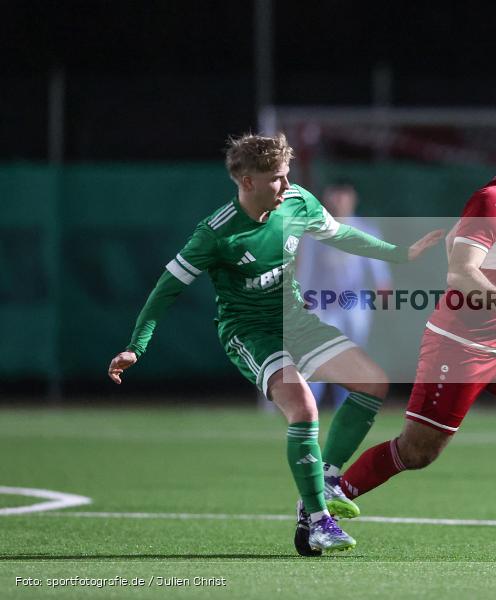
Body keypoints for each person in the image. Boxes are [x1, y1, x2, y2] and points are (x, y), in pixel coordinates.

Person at [106, 133, 443, 554]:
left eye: (287, 176)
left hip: (296, 320)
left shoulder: (297, 201)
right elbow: (165, 289)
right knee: (304, 407)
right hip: (248, 331)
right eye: (276, 180)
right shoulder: (216, 233)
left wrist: (400, 254)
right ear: (246, 181)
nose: (286, 187)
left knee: (372, 384)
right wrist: (137, 345)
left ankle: (326, 481)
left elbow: (340, 235)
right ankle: (319, 520)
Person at [337, 118, 496, 559]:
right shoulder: (492, 200)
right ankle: (323, 499)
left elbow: (457, 247)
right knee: (417, 452)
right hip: (459, 350)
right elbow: (459, 271)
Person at [297, 181, 392, 409]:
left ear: (352, 199)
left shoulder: (366, 229)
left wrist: (384, 288)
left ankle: (345, 406)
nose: (339, 201)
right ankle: (310, 405)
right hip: (322, 301)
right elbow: (306, 268)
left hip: (354, 302)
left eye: (343, 196)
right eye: (335, 196)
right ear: (327, 200)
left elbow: (378, 266)